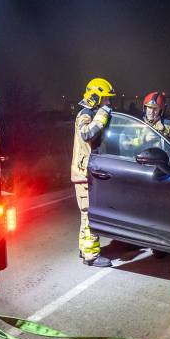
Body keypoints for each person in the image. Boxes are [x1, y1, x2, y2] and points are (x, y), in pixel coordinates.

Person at [71, 77, 115, 267]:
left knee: (86, 214)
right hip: (83, 174)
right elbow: (87, 133)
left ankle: (84, 249)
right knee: (90, 214)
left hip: (86, 172)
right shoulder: (85, 114)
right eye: (105, 99)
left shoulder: (90, 113)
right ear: (96, 97)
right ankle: (91, 255)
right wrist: (103, 114)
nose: (108, 102)